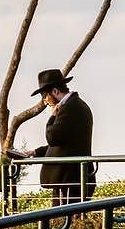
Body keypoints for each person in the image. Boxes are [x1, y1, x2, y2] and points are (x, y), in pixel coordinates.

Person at [26, 68, 95, 206]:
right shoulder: (76, 105)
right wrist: (36, 152)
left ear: (55, 91)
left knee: (63, 222)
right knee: (65, 222)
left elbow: (52, 138)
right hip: (72, 178)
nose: (45, 101)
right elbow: (66, 142)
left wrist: (51, 117)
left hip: (69, 179)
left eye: (45, 96)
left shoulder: (68, 108)